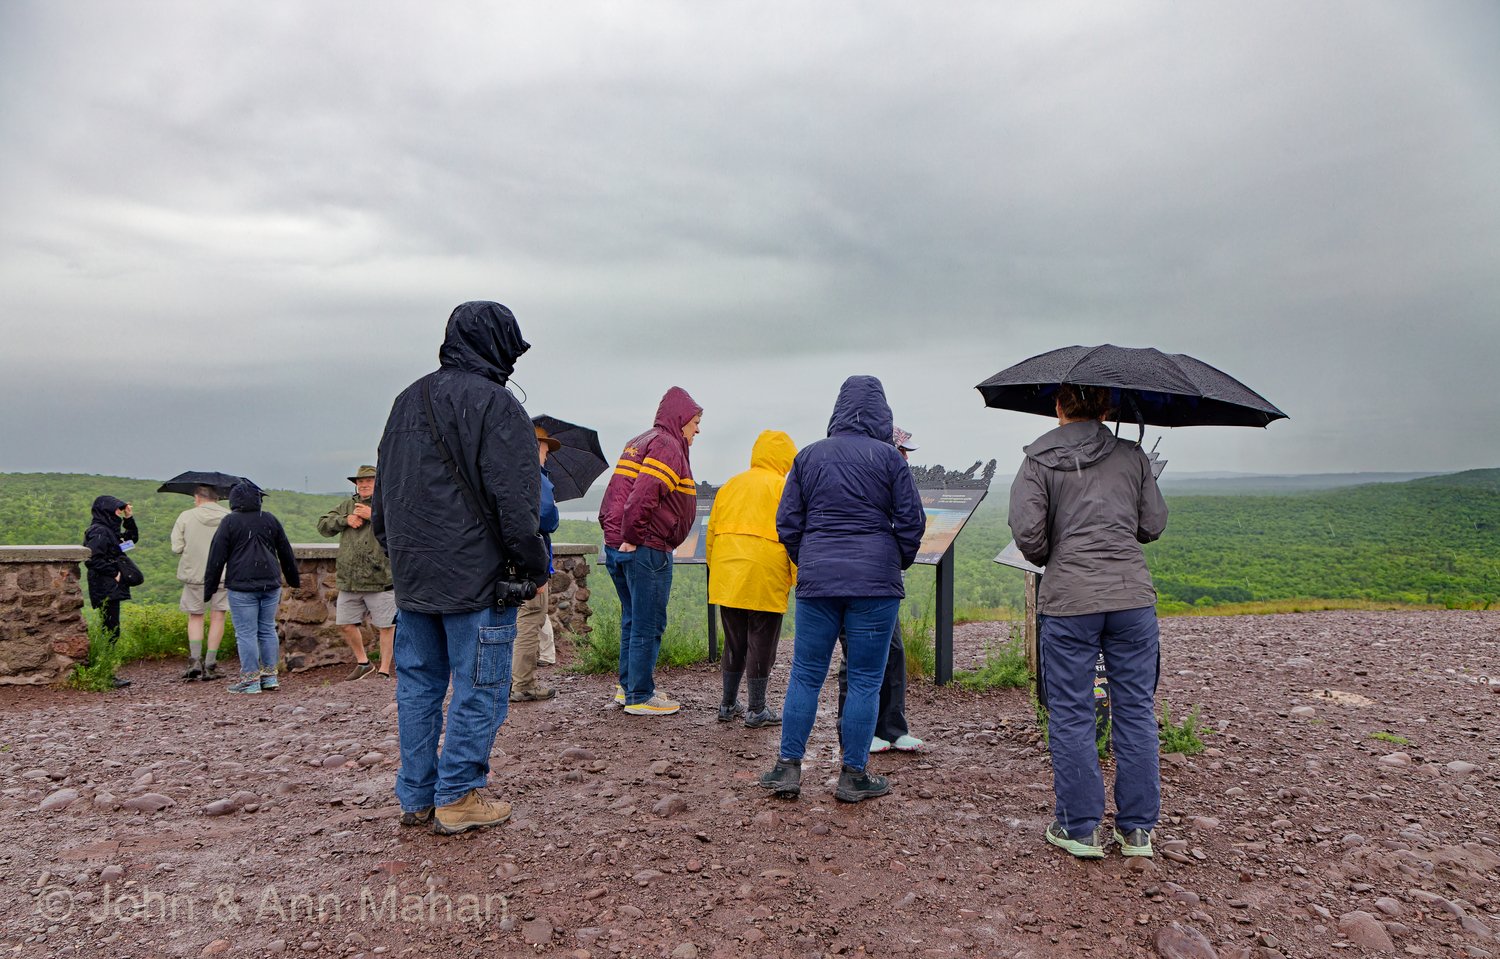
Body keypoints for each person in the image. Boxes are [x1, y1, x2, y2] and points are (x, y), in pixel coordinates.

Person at [373, 300, 549, 836]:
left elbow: (383, 500)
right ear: (498, 345)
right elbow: (516, 504)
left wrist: (402, 556)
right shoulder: (497, 405)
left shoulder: (408, 401)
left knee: (418, 687)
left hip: (414, 577)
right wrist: (532, 562)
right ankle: (458, 796)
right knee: (480, 687)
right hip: (477, 580)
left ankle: (417, 796)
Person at [1008, 383, 1169, 860]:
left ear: (1058, 407)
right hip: (1131, 598)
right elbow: (1152, 524)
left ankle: (1080, 828)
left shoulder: (1037, 459)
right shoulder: (1132, 456)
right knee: (1136, 708)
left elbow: (1028, 535)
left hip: (1068, 601)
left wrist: (1057, 552)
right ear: (1106, 407)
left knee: (1072, 711)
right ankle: (1137, 830)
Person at [759, 376, 925, 803]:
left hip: (817, 581)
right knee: (867, 678)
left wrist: (809, 560)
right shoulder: (891, 459)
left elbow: (788, 522)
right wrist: (895, 560)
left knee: (806, 674)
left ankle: (787, 768)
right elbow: (911, 522)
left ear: (838, 409)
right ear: (881, 413)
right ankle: (853, 775)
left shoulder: (808, 457)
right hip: (875, 584)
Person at [598, 386, 703, 717]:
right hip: (647, 547)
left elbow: (616, 495)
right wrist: (632, 535)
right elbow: (643, 495)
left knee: (632, 619)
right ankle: (640, 696)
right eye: (696, 421)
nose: (697, 429)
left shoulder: (639, 441)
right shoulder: (668, 446)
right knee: (649, 621)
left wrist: (616, 535)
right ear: (681, 418)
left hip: (621, 544)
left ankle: (627, 685)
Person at [835, 426, 924, 752]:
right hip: (848, 579)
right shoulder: (863, 478)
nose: (905, 457)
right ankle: (855, 732)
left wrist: (896, 560)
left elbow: (912, 521)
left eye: (906, 452)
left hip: (881, 581)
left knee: (894, 651)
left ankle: (892, 727)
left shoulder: (896, 478)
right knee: (857, 656)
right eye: (902, 450)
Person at [705, 429, 797, 728]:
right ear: (786, 457)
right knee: (762, 641)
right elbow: (794, 534)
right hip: (765, 574)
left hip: (727, 572)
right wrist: (797, 577)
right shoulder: (784, 488)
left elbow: (711, 534)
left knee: (734, 642)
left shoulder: (730, 485)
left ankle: (727, 704)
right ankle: (757, 709)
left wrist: (717, 569)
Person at [203, 481, 301, 695]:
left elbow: (216, 557)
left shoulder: (229, 522)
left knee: (246, 633)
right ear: (257, 499)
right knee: (267, 629)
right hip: (270, 582)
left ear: (233, 501)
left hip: (241, 584)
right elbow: (285, 551)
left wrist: (208, 589)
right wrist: (294, 580)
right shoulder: (269, 519)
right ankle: (270, 676)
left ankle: (250, 680)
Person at [318, 465, 396, 681]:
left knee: (386, 627)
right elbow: (323, 526)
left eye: (368, 481)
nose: (363, 485)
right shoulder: (346, 505)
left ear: (377, 483)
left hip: (381, 579)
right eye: (360, 482)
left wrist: (374, 516)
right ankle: (363, 663)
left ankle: (384, 670)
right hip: (349, 580)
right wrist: (345, 520)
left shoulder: (386, 504)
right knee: (344, 624)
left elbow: (402, 527)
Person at [511, 425, 561, 702]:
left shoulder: (507, 473)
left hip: (509, 562)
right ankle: (523, 684)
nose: (547, 456)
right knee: (530, 621)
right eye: (545, 449)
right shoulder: (536, 477)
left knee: (513, 623)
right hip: (531, 562)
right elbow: (545, 519)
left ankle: (509, 681)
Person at [172, 485, 231, 681]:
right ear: (217, 498)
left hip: (194, 574)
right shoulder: (229, 516)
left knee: (195, 616)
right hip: (223, 573)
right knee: (218, 616)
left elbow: (177, 547)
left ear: (198, 497)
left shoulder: (186, 516)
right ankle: (211, 663)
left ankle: (195, 660)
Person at [82, 495, 140, 688]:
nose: (119, 513)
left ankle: (107, 670)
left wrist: (128, 518)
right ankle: (105, 672)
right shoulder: (99, 531)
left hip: (110, 585)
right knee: (110, 628)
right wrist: (114, 572)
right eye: (117, 510)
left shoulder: (109, 531)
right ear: (106, 511)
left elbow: (131, 542)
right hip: (104, 585)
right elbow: (91, 558)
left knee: (111, 628)